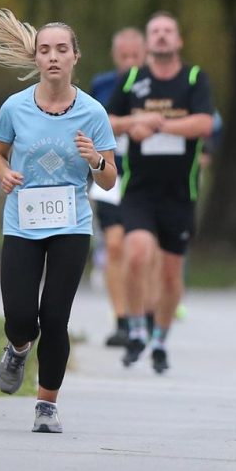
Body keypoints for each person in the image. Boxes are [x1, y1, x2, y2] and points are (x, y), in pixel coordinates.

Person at [0, 9, 118, 433]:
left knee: (55, 317)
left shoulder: (93, 112)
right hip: (22, 222)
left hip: (71, 225)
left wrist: (95, 158)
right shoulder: (14, 108)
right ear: (36, 58)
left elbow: (110, 180)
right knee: (21, 317)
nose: (53, 56)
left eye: (61, 49)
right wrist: (4, 174)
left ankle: (46, 405)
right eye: (45, 50)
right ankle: (18, 349)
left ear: (76, 56)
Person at [109, 12, 215, 374]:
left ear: (179, 40)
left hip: (180, 193)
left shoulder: (195, 78)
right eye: (155, 32)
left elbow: (204, 123)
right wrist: (133, 124)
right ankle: (136, 328)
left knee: (171, 274)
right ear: (147, 42)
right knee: (136, 253)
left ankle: (161, 339)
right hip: (139, 190)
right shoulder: (132, 79)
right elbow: (106, 120)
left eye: (169, 31)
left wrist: (162, 125)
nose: (162, 37)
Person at [89, 27, 146, 346]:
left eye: (135, 56)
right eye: (123, 56)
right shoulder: (103, 85)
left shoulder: (155, 85)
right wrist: (130, 124)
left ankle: (145, 313)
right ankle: (121, 319)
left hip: (144, 178)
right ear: (115, 56)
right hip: (111, 172)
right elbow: (97, 123)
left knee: (139, 248)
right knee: (113, 246)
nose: (129, 62)